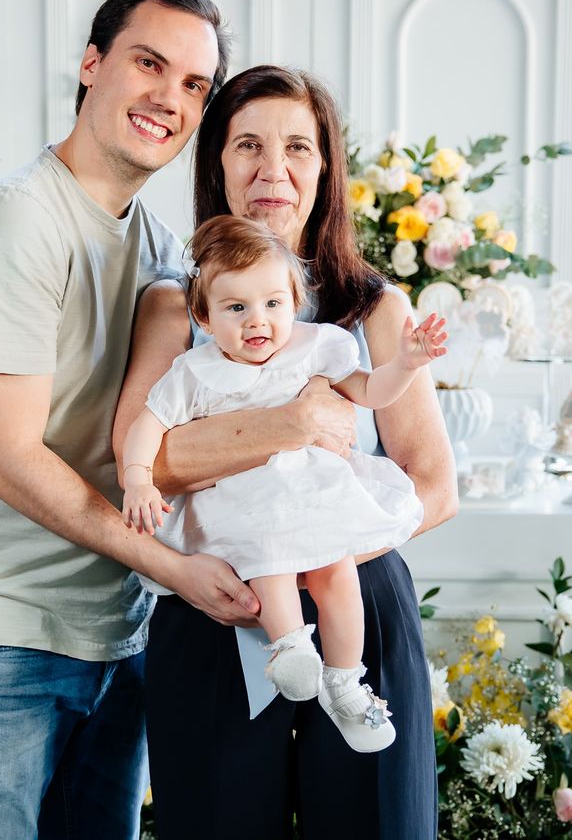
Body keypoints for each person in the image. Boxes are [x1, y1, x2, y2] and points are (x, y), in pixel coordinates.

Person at [0, 0, 251, 840]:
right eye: (149, 63)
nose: (169, 98)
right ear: (92, 63)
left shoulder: (162, 249)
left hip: (117, 635)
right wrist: (174, 569)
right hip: (0, 638)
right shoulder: (15, 221)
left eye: (193, 85)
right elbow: (8, 458)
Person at [113, 65, 458, 837]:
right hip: (217, 604)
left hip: (356, 597)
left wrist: (321, 550)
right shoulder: (174, 306)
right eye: (248, 145)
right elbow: (142, 461)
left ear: (325, 167)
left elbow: (435, 484)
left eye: (298, 146)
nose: (274, 168)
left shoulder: (374, 310)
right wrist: (296, 423)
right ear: (216, 164)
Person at [118, 215, 447, 754]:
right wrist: (137, 480)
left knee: (337, 573)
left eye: (273, 304)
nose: (258, 321)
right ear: (204, 316)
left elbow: (372, 391)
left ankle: (345, 682)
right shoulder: (195, 371)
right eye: (235, 308)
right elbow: (146, 426)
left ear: (294, 302)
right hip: (246, 503)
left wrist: (407, 364)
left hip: (314, 495)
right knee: (267, 558)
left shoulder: (314, 348)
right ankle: (290, 647)